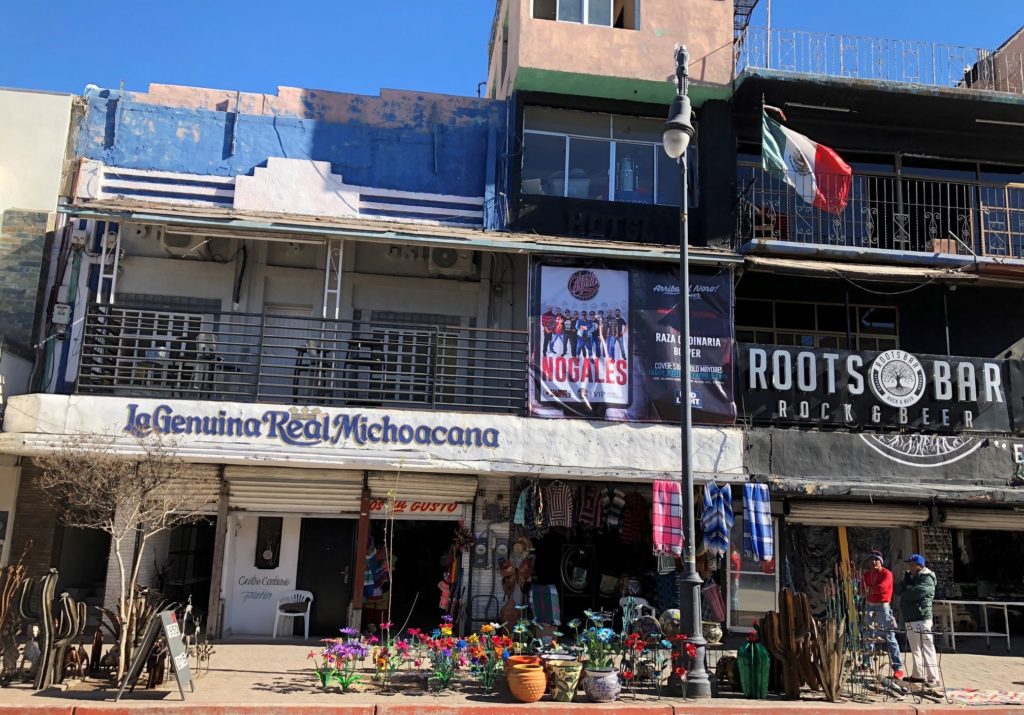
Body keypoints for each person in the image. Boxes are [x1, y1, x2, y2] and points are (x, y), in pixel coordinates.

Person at [897, 553, 941, 687]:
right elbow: (898, 588)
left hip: (922, 618)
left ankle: (933, 677)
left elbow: (916, 594)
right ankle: (918, 674)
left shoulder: (927, 578)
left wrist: (906, 591)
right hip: (910, 617)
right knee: (915, 648)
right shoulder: (910, 577)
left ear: (920, 566)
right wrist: (906, 587)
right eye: (909, 564)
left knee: (927, 647)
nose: (910, 567)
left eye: (912, 565)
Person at [860, 550, 904, 679]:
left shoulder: (887, 573)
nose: (874, 562)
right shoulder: (867, 574)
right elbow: (861, 589)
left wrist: (868, 590)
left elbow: (881, 588)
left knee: (890, 636)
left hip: (883, 607)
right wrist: (868, 591)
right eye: (871, 559)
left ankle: (897, 667)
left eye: (876, 559)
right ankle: (867, 663)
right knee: (868, 635)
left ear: (881, 562)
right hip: (869, 605)